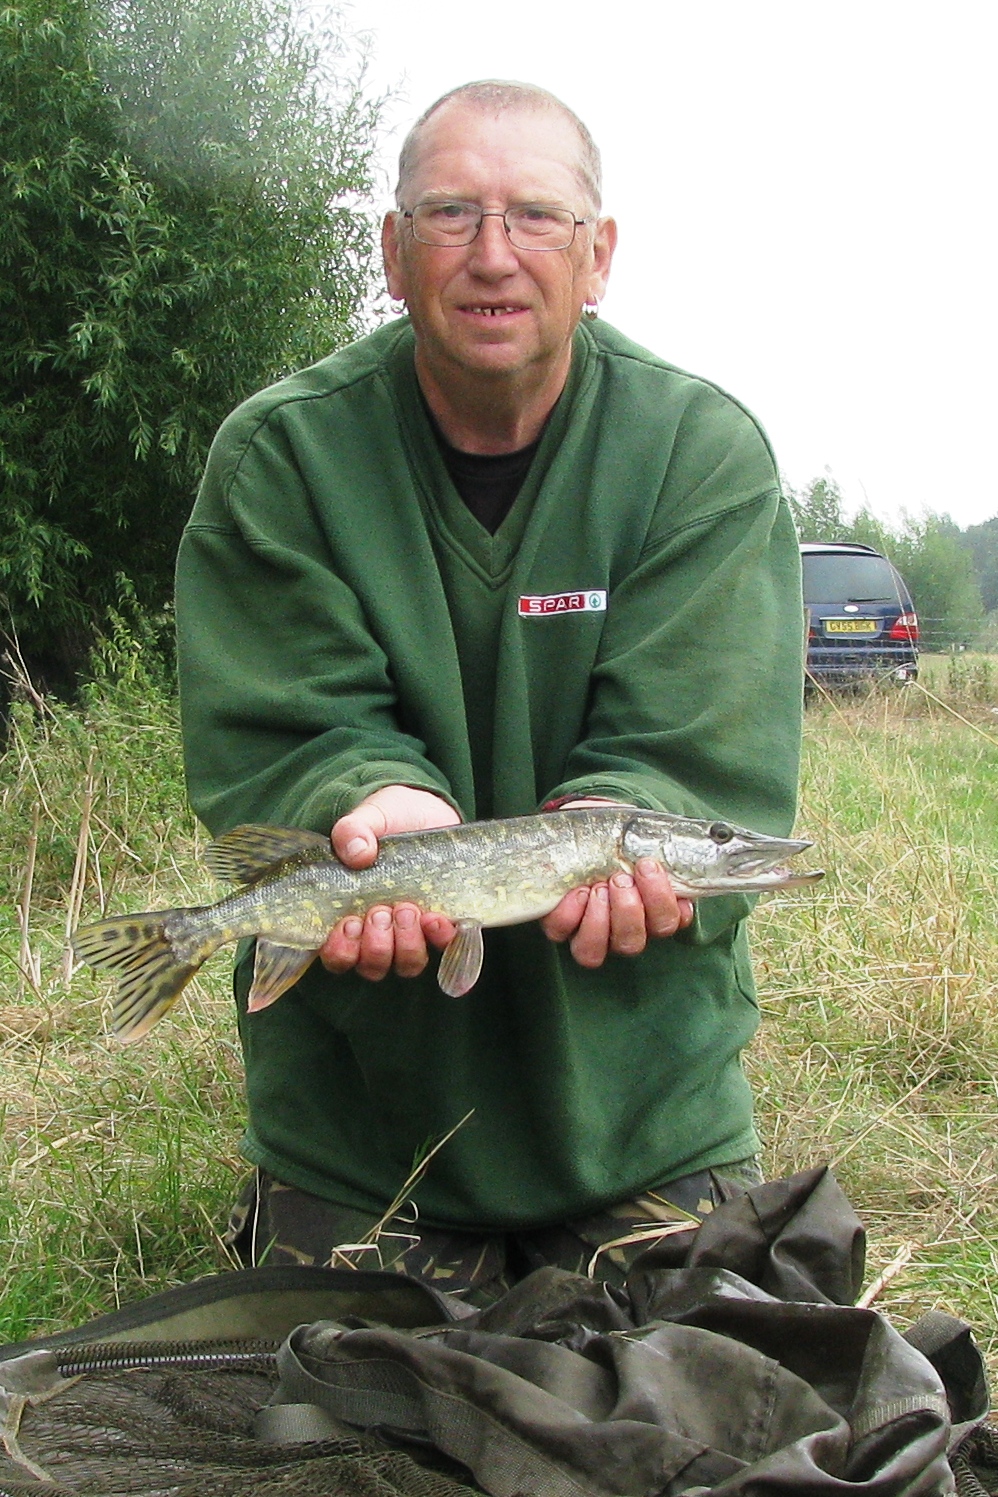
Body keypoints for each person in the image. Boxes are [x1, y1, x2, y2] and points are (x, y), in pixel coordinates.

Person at [176, 80, 805, 1300]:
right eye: (451, 213)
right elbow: (287, 727)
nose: (492, 255)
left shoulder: (699, 453)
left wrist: (628, 803)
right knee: (356, 1413)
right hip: (366, 1127)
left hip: (639, 1114)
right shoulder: (281, 456)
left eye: (535, 217)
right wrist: (364, 797)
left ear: (598, 253)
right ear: (393, 251)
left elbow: (692, 746)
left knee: (689, 1393)